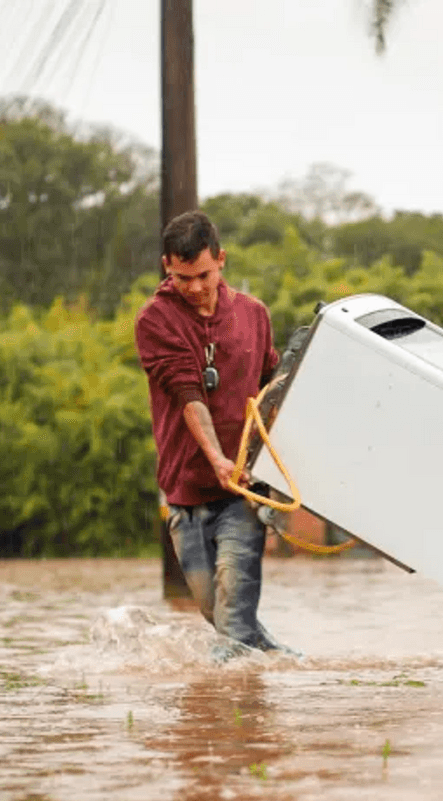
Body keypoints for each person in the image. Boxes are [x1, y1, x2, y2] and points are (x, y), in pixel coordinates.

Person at [135, 210, 291, 658]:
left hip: (241, 489)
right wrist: (215, 458)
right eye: (183, 278)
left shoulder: (254, 315)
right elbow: (188, 395)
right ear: (167, 265)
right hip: (185, 490)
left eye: (204, 274)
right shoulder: (155, 321)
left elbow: (272, 389)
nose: (196, 287)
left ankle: (234, 721)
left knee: (233, 622)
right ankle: (287, 666)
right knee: (214, 610)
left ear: (221, 259)